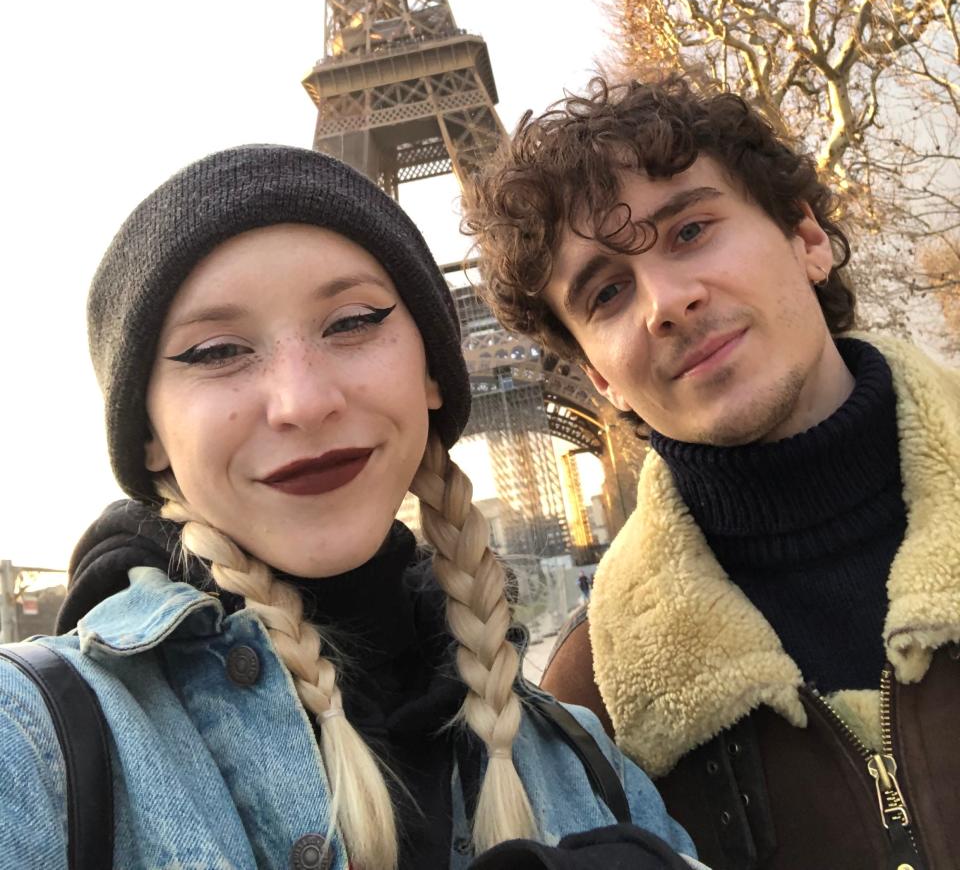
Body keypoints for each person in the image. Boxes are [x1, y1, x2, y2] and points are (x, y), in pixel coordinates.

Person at [0, 143, 707, 870]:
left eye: (353, 322)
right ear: (147, 435)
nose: (304, 403)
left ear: (432, 372)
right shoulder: (23, 738)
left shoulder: (587, 760)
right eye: (215, 351)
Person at [462, 77, 960, 870]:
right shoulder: (594, 704)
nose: (666, 301)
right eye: (607, 291)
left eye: (691, 230)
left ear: (807, 238)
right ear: (600, 379)